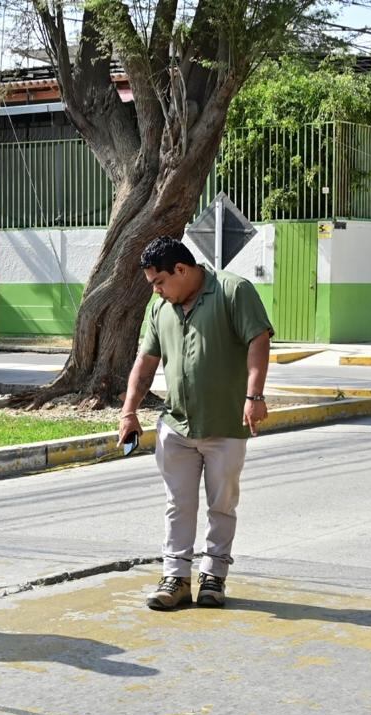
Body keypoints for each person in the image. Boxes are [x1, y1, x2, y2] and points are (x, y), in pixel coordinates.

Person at [118, 236, 273, 611]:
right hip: (177, 425)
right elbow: (146, 362)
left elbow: (258, 340)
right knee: (178, 504)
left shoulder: (233, 292)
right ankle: (176, 578)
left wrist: (254, 396)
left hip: (225, 426)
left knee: (222, 505)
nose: (156, 291)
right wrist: (129, 411)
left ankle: (214, 577)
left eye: (159, 282)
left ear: (182, 270)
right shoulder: (160, 309)